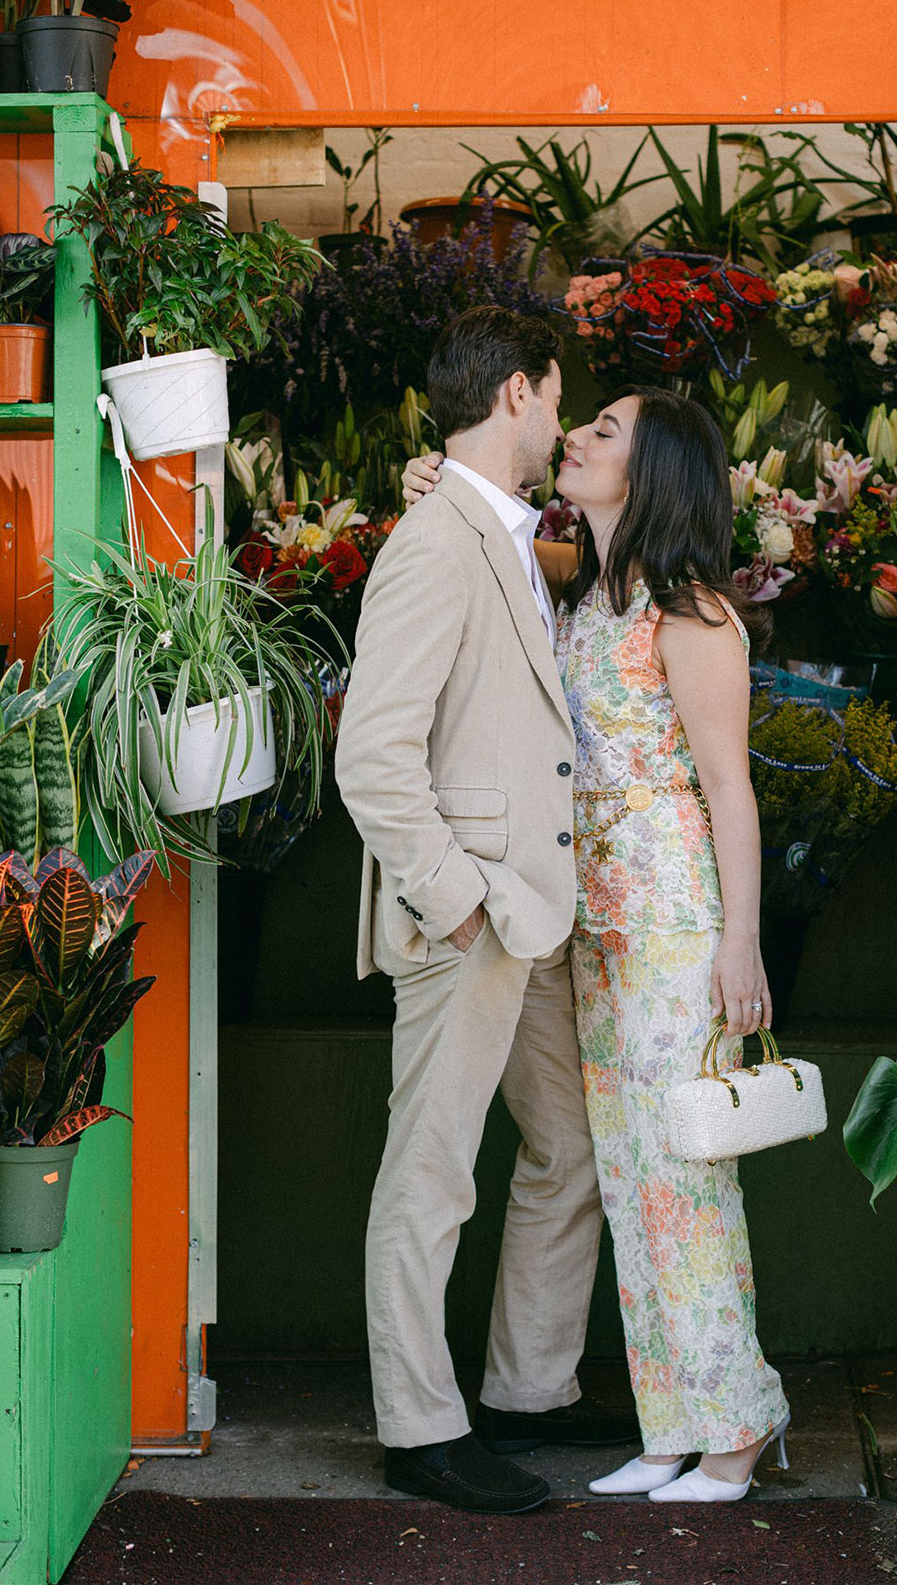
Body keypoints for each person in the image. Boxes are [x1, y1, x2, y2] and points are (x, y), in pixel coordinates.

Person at [402, 385, 790, 1504]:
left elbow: (731, 787)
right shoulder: (587, 597)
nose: (575, 437)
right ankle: (674, 1422)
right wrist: (432, 488)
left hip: (673, 918)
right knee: (630, 1180)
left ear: (653, 468)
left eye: (604, 430)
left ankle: (737, 1427)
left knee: (685, 1178)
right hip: (598, 929)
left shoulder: (695, 615)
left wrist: (742, 943)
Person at [334, 307, 637, 1518]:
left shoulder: (501, 528)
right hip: (470, 915)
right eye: (559, 395)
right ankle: (419, 1427)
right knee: (433, 1170)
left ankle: (528, 1386)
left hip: (528, 916)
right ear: (518, 391)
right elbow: (374, 756)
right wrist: (457, 901)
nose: (563, 420)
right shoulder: (433, 540)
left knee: (567, 1146)